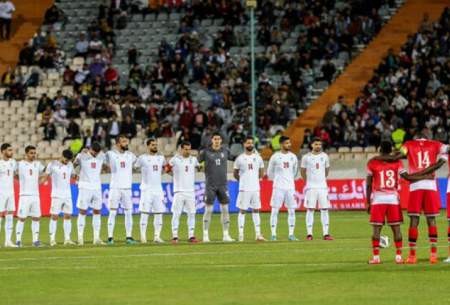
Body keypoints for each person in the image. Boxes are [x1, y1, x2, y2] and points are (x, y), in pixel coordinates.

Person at [375, 129, 448, 264]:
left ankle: (412, 255)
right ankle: (433, 255)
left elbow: (398, 155)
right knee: (431, 220)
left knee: (414, 220)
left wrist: (384, 157)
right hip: (430, 185)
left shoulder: (409, 144)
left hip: (415, 185)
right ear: (427, 136)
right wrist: (441, 159)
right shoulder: (436, 144)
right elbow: (447, 149)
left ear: (417, 137)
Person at [366, 141, 433, 264]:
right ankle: (398, 257)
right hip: (393, 199)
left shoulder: (372, 162)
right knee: (396, 228)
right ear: (391, 150)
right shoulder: (398, 162)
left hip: (378, 199)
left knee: (376, 230)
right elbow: (408, 177)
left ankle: (376, 258)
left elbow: (369, 184)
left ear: (380, 149)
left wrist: (367, 202)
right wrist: (424, 176)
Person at [198, 132, 234, 243]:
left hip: (223, 184)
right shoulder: (205, 152)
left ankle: (226, 235)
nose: (217, 141)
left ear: (221, 141)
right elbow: (196, 162)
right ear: (212, 140)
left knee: (225, 209)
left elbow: (236, 159)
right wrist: (199, 167)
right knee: (209, 210)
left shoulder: (225, 151)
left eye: (219, 139)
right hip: (210, 185)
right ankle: (205, 235)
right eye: (215, 139)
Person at [106, 135, 137, 245]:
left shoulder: (131, 155)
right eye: (124, 141)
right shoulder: (111, 154)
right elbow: (101, 161)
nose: (126, 143)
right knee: (113, 212)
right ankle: (110, 237)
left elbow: (137, 165)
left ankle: (129, 237)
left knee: (129, 212)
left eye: (126, 141)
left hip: (127, 188)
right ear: (118, 143)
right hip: (115, 187)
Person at [134, 138, 167, 244]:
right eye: (153, 145)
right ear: (147, 146)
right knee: (145, 213)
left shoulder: (161, 158)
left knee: (159, 213)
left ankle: (157, 236)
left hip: (158, 190)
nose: (155, 146)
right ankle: (143, 237)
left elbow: (164, 169)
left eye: (156, 145)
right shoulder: (142, 158)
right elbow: (135, 168)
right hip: (146, 190)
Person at [233, 136, 266, 242]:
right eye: (248, 143)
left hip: (255, 188)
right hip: (244, 189)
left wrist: (255, 180)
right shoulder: (240, 158)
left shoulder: (258, 157)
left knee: (256, 210)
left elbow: (261, 171)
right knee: (242, 211)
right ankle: (241, 235)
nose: (250, 145)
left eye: (251, 143)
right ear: (244, 144)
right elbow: (235, 173)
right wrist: (243, 180)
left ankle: (258, 235)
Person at [74, 142, 106, 245]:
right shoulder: (82, 155)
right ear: (90, 148)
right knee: (82, 211)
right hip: (85, 186)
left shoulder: (101, 156)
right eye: (93, 152)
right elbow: (72, 165)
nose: (95, 154)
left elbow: (106, 164)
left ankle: (96, 238)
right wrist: (75, 174)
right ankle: (80, 238)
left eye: (97, 152)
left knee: (97, 211)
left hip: (97, 187)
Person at [267, 136, 299, 241]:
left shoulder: (293, 157)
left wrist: (289, 180)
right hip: (278, 187)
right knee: (275, 210)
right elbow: (269, 172)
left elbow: (295, 172)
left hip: (290, 187)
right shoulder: (275, 157)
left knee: (291, 211)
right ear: (281, 145)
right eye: (286, 143)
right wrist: (277, 180)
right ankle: (273, 234)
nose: (289, 145)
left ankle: (291, 234)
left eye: (289, 143)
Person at [301, 138, 333, 241]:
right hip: (311, 187)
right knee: (310, 209)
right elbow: (302, 171)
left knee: (324, 209)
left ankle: (326, 233)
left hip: (322, 187)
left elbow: (327, 171)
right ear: (311, 145)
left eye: (319, 144)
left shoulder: (325, 156)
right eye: (316, 144)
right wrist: (309, 182)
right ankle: (309, 234)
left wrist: (321, 180)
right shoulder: (306, 157)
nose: (318, 146)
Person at [168, 141, 200, 244]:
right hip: (179, 191)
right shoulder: (175, 159)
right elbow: (166, 169)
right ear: (181, 149)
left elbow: (198, 167)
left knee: (192, 214)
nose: (188, 151)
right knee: (176, 214)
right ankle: (174, 236)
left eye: (189, 149)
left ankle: (191, 236)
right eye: (186, 149)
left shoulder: (193, 159)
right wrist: (174, 176)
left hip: (190, 191)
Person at [43, 150, 76, 246]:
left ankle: (67, 239)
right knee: (54, 216)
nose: (67, 162)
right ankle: (52, 239)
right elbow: (46, 176)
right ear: (62, 156)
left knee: (68, 216)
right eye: (65, 160)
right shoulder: (52, 164)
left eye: (68, 160)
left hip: (67, 195)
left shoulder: (70, 164)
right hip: (56, 195)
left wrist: (78, 177)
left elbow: (73, 175)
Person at [15, 146, 45, 247]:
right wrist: (20, 180)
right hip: (24, 196)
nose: (33, 155)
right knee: (21, 218)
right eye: (31, 153)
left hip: (35, 195)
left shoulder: (38, 164)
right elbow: (14, 174)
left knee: (36, 218)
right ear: (26, 154)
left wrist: (41, 181)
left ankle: (35, 241)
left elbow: (45, 172)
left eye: (34, 153)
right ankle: (18, 241)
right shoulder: (21, 164)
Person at [0, 143, 17, 247]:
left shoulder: (13, 162)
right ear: (3, 151)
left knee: (10, 215)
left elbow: (16, 175)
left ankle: (8, 241)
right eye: (9, 150)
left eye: (12, 150)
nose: (12, 152)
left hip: (10, 193)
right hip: (1, 192)